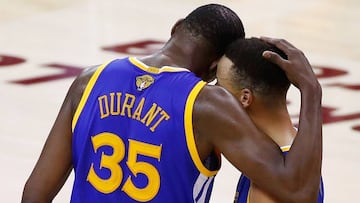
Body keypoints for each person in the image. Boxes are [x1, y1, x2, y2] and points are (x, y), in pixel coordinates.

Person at [22, 4, 323, 203]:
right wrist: (311, 90)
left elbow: (35, 193)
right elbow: (296, 189)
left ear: (176, 27)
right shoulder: (206, 104)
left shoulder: (88, 81)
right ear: (215, 66)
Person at [216, 37, 324, 203]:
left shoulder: (272, 181)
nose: (212, 92)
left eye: (220, 85)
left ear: (245, 98)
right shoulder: (302, 150)